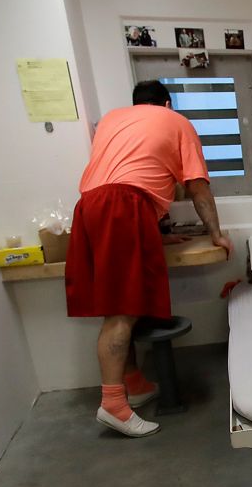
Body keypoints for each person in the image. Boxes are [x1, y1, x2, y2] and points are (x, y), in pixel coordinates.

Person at [66, 80, 231, 437]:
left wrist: (156, 232)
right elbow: (197, 186)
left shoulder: (112, 120)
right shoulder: (176, 122)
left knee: (116, 303)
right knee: (123, 310)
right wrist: (216, 233)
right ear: (167, 103)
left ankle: (134, 383)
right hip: (124, 207)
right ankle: (113, 405)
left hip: (89, 207)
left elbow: (122, 174)